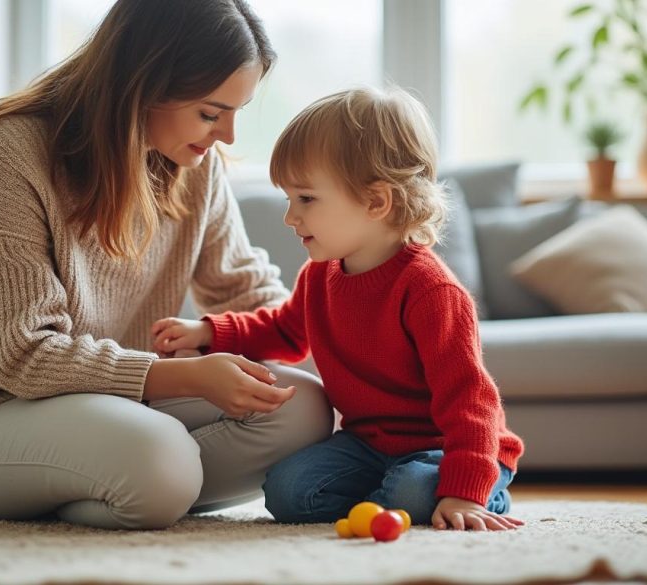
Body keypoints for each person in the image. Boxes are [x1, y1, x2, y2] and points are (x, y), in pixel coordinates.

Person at [0, 0, 333, 530]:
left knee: (305, 407)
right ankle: (137, 480)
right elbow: (25, 355)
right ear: (142, 84)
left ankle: (125, 485)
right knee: (158, 456)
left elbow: (244, 289)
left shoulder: (194, 166)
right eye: (212, 113)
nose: (228, 137)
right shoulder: (6, 154)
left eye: (237, 113)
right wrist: (187, 374)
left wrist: (351, 359)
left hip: (114, 406)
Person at [151, 87, 525, 531]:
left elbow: (471, 403)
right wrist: (210, 333)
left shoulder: (431, 290)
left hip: (446, 447)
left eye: (306, 199)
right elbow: (284, 331)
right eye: (289, 199)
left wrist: (464, 491)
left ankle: (483, 495)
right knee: (288, 491)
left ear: (376, 201)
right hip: (368, 445)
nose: (291, 217)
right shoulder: (319, 275)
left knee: (411, 491)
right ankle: (391, 498)